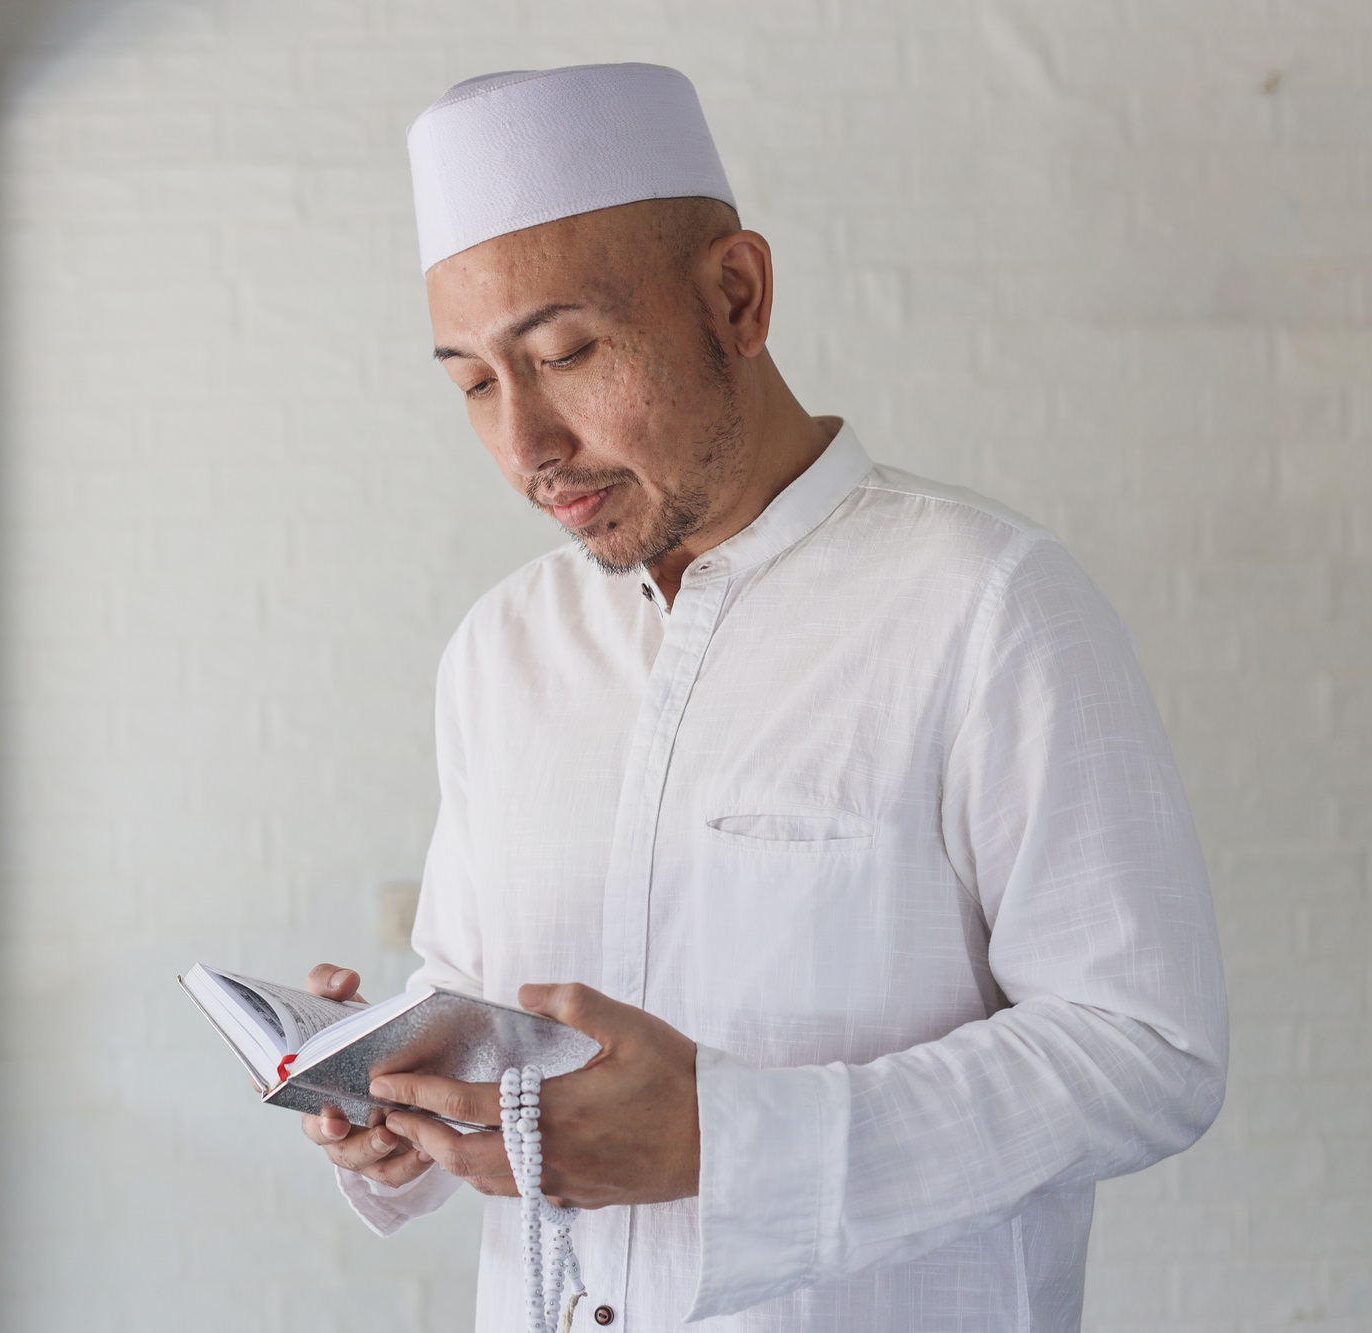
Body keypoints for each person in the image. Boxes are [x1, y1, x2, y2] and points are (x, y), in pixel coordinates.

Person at [299, 63, 1227, 1331]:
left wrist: (725, 1142)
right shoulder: (497, 648)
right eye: (470, 381)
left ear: (735, 296)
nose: (523, 448)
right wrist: (395, 1094)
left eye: (565, 353)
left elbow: (1146, 1052)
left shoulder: (985, 602)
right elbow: (473, 987)